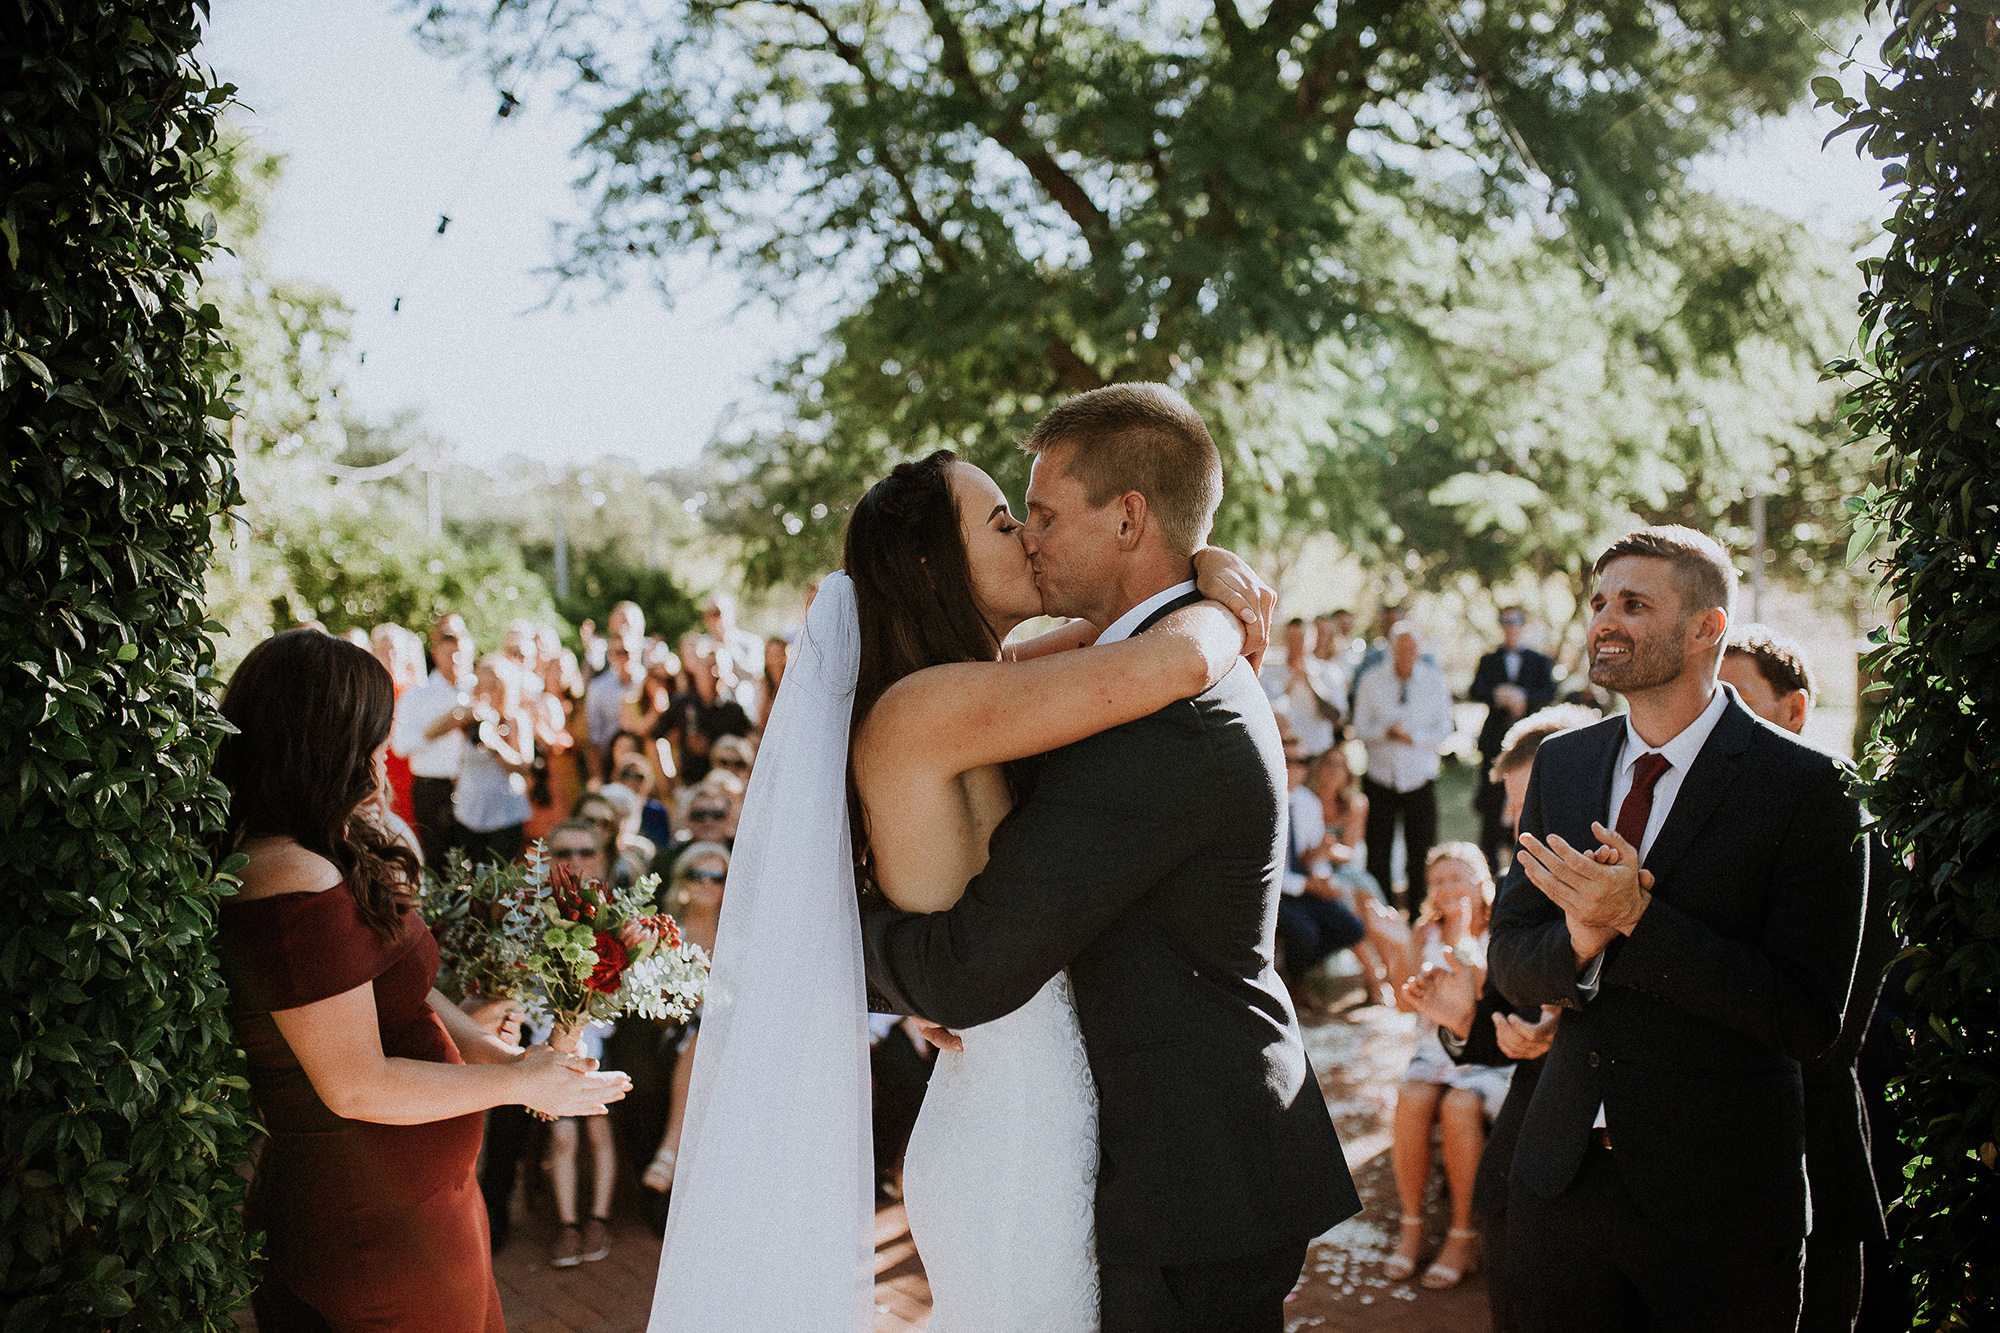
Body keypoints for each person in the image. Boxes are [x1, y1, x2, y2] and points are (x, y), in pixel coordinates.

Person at [848, 391, 1353, 1332]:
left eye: (1037, 514)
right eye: (1011, 520)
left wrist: (867, 950)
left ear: (1128, 517)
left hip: (1189, 1175)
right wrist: (1206, 592)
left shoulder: (1159, 716)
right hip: (1121, 1146)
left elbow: (969, 967)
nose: (1029, 538)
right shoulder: (1094, 680)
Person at [1488, 526, 1867, 1332]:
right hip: (1560, 1183)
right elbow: (1512, 959)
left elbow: (1808, 1016)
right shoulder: (1565, 764)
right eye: (1599, 602)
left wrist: (1638, 920)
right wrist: (1582, 944)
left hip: (1722, 1204)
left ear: (1708, 628)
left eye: (1634, 603)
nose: (1604, 622)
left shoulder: (1809, 787)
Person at [211, 628, 629, 1332]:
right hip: (370, 1223)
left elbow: (408, 993)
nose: (385, 749)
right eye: (374, 730)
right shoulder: (292, 876)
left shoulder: (325, 846)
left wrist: (514, 1058)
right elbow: (355, 1083)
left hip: (419, 1201)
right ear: (323, 740)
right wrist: (520, 1084)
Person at [1721, 626, 1898, 1333]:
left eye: (1738, 701)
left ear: (1795, 710)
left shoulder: (1852, 832)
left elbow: (1831, 1021)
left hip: (1810, 1136)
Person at [1402, 703, 1596, 1333]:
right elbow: (1511, 1008)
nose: (1520, 824)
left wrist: (1555, 1028)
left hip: (1613, 1115)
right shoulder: (1522, 873)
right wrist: (1464, 1019)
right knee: (1500, 1205)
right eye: (1515, 810)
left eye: (1532, 805)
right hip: (1543, 1091)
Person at [1380, 843, 1513, 1291]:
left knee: (1459, 1107)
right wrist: (1402, 947)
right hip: (1434, 1052)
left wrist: (1461, 943)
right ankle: (1412, 1225)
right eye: (1438, 881)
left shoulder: (1502, 932)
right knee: (1412, 1098)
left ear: (1482, 885)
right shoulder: (1425, 934)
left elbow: (1483, 1003)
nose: (1446, 888)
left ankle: (1462, 1233)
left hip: (1489, 1056)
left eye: (1457, 878)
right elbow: (1402, 1003)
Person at [638, 842, 730, 1211]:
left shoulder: (738, 927)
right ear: (683, 879)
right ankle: (673, 1148)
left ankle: (671, 1152)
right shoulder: (667, 929)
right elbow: (654, 998)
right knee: (703, 1038)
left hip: (728, 1026)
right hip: (677, 1025)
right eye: (698, 875)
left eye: (717, 877)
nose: (707, 884)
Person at [1351, 623, 1456, 918]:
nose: (1406, 655)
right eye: (1400, 649)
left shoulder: (1433, 680)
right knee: (1378, 852)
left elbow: (1445, 728)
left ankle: (1421, 916)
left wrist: (1415, 738)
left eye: (1411, 649)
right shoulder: (1371, 680)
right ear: (1391, 649)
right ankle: (1380, 914)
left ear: (1419, 651)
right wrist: (1386, 732)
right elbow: (1358, 726)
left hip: (1419, 778)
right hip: (1380, 777)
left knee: (1421, 851)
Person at [1274, 733, 1367, 1005]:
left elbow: (1313, 855)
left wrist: (1322, 879)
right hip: (1273, 890)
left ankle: (1292, 973)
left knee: (1351, 927)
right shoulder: (1260, 798)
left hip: (1304, 885)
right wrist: (1306, 885)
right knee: (1305, 932)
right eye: (1288, 760)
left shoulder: (1307, 802)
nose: (1295, 767)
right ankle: (1295, 983)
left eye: (1302, 761)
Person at [1468, 607, 1557, 867]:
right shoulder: (1489, 659)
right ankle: (1490, 868)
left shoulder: (1538, 660)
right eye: (1505, 620)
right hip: (1495, 743)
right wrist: (1499, 694)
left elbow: (1549, 692)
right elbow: (1475, 689)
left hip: (1530, 743)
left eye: (1516, 620)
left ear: (1523, 624)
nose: (1510, 625)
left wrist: (1523, 697)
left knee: (1529, 802)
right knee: (1491, 807)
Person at [391, 613, 475, 870]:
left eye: (461, 645)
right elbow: (400, 746)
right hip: (433, 790)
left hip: (476, 787)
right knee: (440, 868)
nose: (456, 653)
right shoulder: (417, 695)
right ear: (436, 651)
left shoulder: (479, 690)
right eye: (449, 644)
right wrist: (439, 729)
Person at [448, 655, 535, 868]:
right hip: (468, 813)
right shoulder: (468, 720)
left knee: (499, 879)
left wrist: (495, 745)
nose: (486, 693)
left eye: (493, 686)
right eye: (482, 686)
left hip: (505, 815)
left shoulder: (516, 719)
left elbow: (525, 766)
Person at [1261, 616, 1345, 756]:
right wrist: (1289, 686)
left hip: (1318, 753)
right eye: (1292, 638)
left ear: (1313, 640)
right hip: (1284, 755)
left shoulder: (1329, 673)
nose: (1297, 644)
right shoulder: (1269, 675)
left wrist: (1311, 685)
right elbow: (1267, 715)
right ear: (1285, 640)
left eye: (1302, 638)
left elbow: (1338, 719)